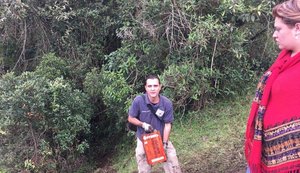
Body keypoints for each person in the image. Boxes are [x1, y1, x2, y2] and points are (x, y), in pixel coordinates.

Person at [244, 0, 300, 172]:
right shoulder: (284, 60)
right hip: (265, 154)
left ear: (297, 28)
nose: (274, 35)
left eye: (278, 29)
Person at [128, 75, 182, 173]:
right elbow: (131, 118)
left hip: (161, 139)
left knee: (173, 165)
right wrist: (143, 124)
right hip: (143, 139)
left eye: (155, 86)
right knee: (143, 169)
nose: (153, 89)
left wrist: (165, 143)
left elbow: (167, 124)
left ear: (160, 87)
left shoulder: (166, 103)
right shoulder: (139, 101)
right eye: (150, 86)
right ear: (145, 87)